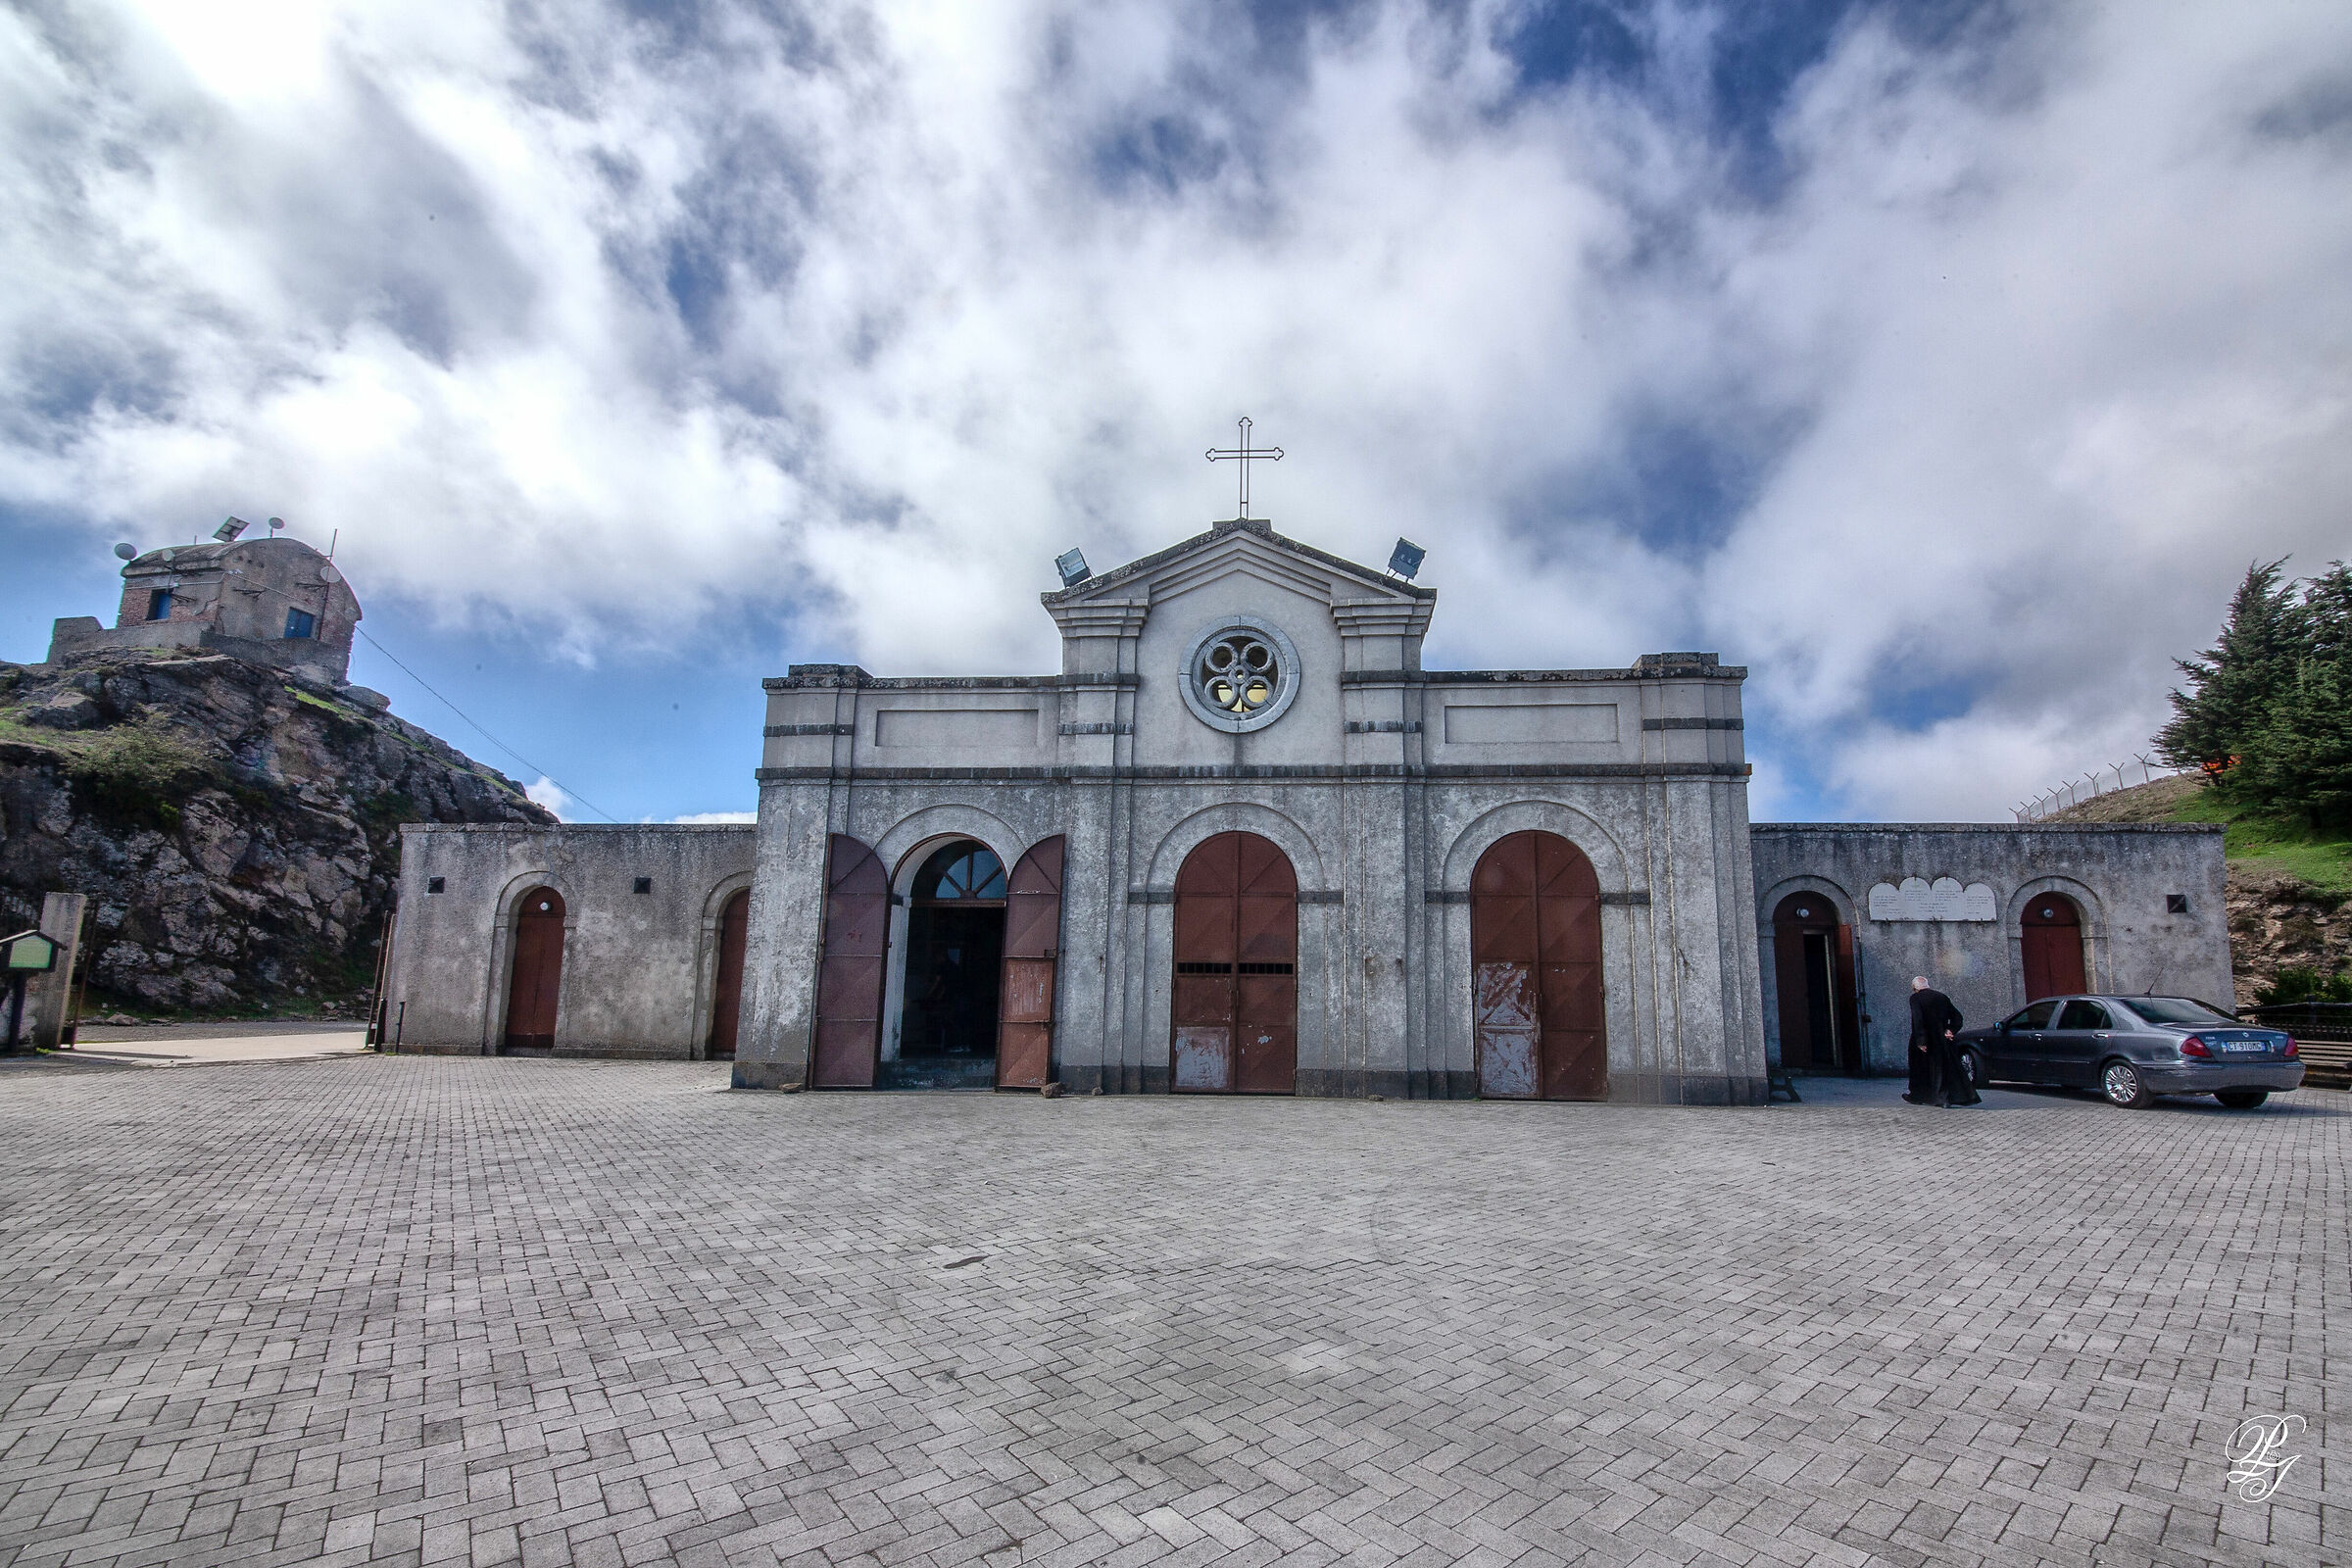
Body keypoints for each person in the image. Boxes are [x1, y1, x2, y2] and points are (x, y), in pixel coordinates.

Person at [1907, 976, 1975, 1106]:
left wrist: (1921, 1041)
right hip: (1942, 1039)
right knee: (1942, 1068)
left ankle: (1922, 1096)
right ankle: (1946, 1097)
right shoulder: (1941, 997)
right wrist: (1951, 1030)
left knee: (1920, 1069)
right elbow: (1957, 1016)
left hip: (1925, 1039)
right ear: (1927, 985)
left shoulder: (1915, 998)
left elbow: (1918, 1019)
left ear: (1915, 988)